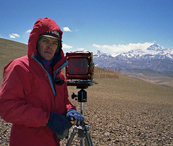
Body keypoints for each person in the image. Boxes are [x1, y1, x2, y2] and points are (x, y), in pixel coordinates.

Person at [0, 17, 84, 146]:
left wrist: (70, 110)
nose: (50, 46)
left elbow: (64, 100)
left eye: (55, 43)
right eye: (45, 41)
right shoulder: (20, 67)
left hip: (52, 141)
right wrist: (48, 119)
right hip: (27, 141)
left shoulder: (57, 74)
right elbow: (7, 107)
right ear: (36, 42)